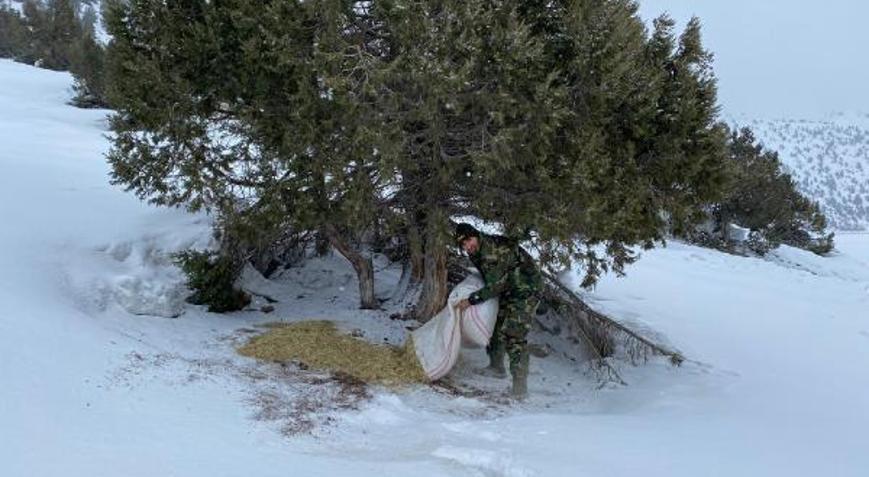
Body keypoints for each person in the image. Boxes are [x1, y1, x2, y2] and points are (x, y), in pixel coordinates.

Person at [454, 223, 542, 399]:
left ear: (476, 235)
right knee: (496, 328)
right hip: (509, 288)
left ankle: (520, 389)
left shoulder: (491, 253)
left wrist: (471, 300)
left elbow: (495, 286)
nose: (467, 247)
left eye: (469, 241)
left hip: (526, 290)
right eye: (463, 245)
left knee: (514, 336)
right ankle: (496, 367)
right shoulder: (477, 250)